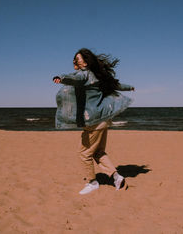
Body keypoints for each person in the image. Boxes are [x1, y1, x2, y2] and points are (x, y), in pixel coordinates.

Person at [53, 48, 134, 195]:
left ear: (85, 61)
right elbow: (115, 85)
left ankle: (92, 182)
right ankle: (117, 177)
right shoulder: (98, 76)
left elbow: (75, 78)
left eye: (77, 59)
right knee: (98, 152)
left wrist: (61, 77)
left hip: (93, 122)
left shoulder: (83, 74)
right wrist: (130, 87)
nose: (74, 61)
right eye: (74, 58)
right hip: (103, 120)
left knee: (84, 154)